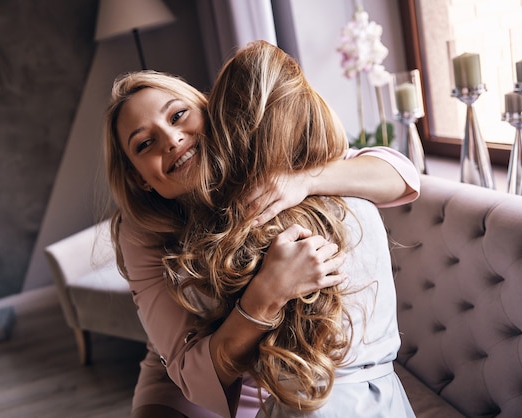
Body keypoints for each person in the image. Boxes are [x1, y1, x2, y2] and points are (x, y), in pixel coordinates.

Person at [103, 58, 420, 417]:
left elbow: (400, 174)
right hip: (198, 371)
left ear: (208, 112)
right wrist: (267, 293)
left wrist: (307, 180)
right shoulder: (141, 231)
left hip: (284, 373)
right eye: (145, 144)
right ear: (140, 178)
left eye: (178, 116)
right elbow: (192, 373)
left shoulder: (260, 156)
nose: (172, 140)